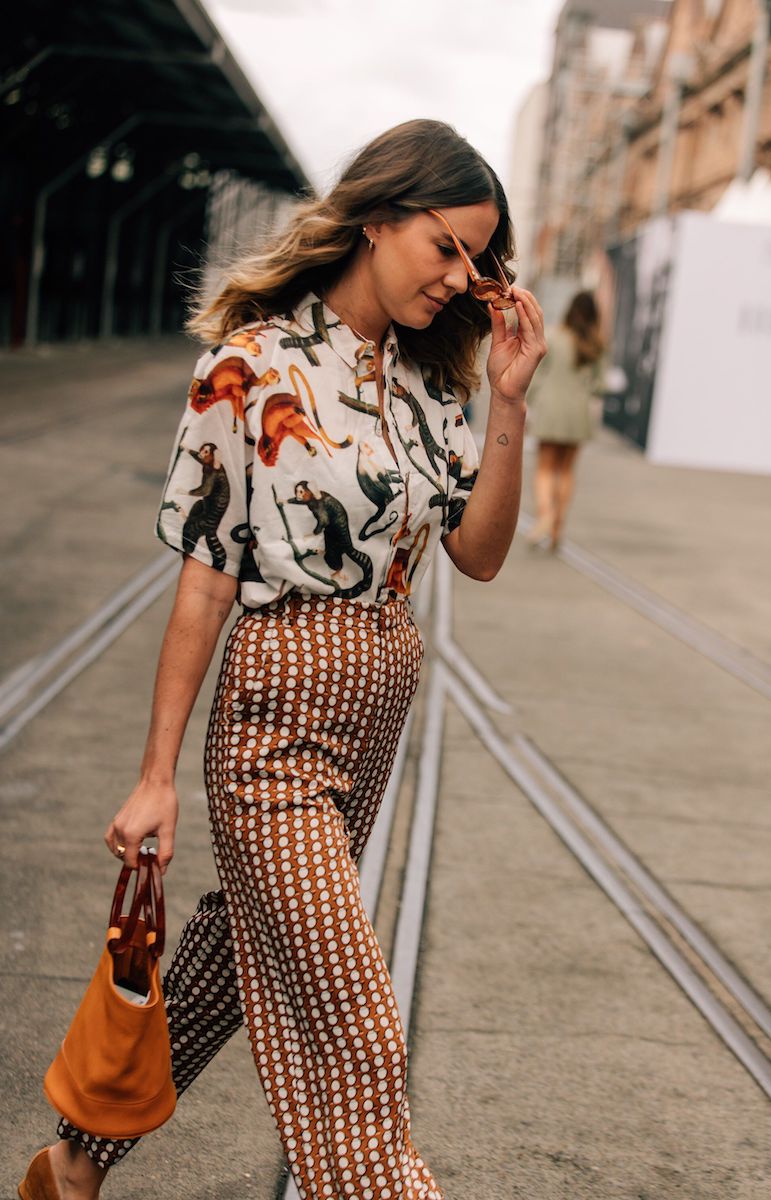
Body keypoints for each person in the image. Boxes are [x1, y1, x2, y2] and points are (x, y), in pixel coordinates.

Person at [20, 119, 546, 1200]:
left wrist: (509, 400)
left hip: (372, 710)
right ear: (377, 216)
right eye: (445, 248)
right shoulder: (251, 368)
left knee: (225, 964)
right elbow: (207, 579)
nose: (458, 280)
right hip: (274, 717)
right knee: (351, 1009)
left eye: (476, 263)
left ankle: (71, 1166)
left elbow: (479, 554)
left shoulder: (424, 385)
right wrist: (158, 773)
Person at [525, 290, 605, 551]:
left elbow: (537, 375)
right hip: (578, 413)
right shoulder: (596, 344)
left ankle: (545, 515)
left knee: (545, 468)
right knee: (567, 471)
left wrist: (529, 402)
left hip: (550, 409)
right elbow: (599, 385)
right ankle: (558, 528)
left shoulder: (555, 336)